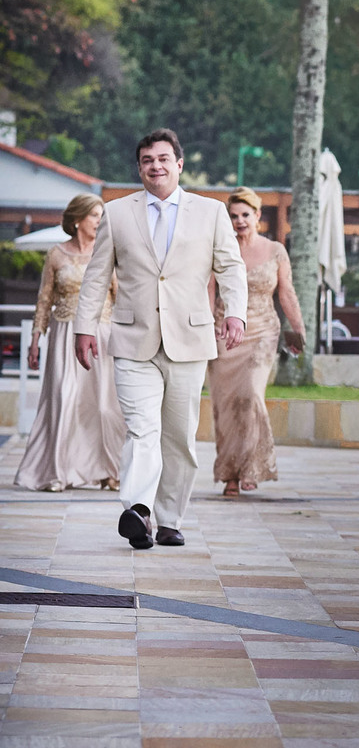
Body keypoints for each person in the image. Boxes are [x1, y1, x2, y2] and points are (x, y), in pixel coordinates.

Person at [74, 128, 247, 550]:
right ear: (139, 168)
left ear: (179, 164)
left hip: (189, 338)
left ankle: (170, 518)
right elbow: (97, 275)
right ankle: (139, 510)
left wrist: (236, 314)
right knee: (141, 430)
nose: (156, 166)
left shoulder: (210, 213)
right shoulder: (116, 214)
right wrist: (83, 326)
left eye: (163, 159)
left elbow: (231, 268)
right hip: (133, 339)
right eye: (148, 160)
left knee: (180, 437)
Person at [15, 194, 124, 492]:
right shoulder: (56, 254)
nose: (100, 221)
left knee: (103, 406)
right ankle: (57, 472)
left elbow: (121, 298)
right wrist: (36, 340)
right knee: (63, 399)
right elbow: (44, 300)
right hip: (63, 335)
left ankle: (109, 471)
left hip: (101, 336)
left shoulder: (108, 253)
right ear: (77, 220)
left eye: (102, 216)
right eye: (95, 216)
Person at [208, 187, 305, 497]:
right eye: (233, 216)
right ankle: (230, 475)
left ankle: (251, 466)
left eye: (245, 215)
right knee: (226, 405)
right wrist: (210, 323)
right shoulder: (220, 248)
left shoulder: (276, 250)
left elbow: (286, 292)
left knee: (250, 395)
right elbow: (209, 289)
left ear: (258, 216)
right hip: (225, 333)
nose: (239, 221)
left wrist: (298, 328)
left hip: (263, 330)